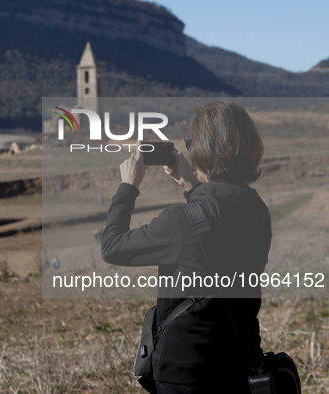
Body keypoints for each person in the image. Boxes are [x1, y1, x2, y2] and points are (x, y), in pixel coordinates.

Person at [101, 100, 271, 393]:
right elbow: (214, 230)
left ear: (204, 153)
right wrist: (191, 184)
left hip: (186, 370)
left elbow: (112, 247)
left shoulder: (178, 222)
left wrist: (128, 186)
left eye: (193, 144)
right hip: (238, 359)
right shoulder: (257, 208)